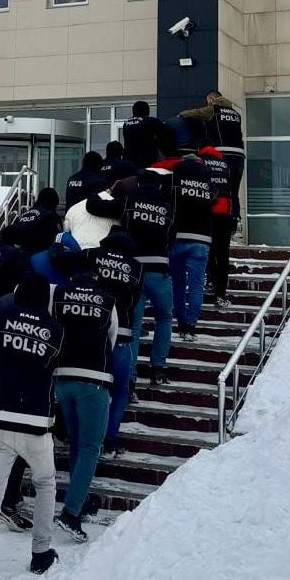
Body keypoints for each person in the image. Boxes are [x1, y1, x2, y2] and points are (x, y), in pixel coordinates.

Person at [0, 273, 64, 580]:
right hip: (36, 421)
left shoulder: (0, 316)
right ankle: (40, 553)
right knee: (46, 484)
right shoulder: (55, 331)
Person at [86, 169, 174, 389]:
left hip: (132, 271)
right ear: (159, 186)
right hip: (159, 270)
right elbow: (171, 237)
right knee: (164, 318)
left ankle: (131, 378)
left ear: (138, 184)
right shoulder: (167, 208)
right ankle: (159, 368)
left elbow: (92, 206)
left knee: (134, 325)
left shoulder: (128, 202)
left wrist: (104, 192)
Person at [51, 263, 117, 542]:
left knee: (77, 441)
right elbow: (112, 336)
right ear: (95, 277)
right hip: (94, 377)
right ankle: (71, 512)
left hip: (63, 375)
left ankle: (80, 499)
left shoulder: (59, 294)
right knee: (90, 446)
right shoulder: (106, 299)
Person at [86, 231, 143, 456]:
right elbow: (136, 300)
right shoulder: (137, 267)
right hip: (122, 335)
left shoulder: (93, 255)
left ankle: (88, 437)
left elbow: (61, 259)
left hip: (94, 334)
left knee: (93, 388)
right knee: (120, 390)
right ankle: (110, 437)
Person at [156, 152, 214, 341]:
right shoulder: (208, 185)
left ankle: (180, 322)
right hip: (201, 239)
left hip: (177, 239)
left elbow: (163, 202)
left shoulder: (173, 182)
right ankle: (191, 325)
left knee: (178, 285)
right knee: (196, 285)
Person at [180, 92, 245, 231]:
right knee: (233, 190)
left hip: (222, 154)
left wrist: (181, 115)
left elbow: (192, 113)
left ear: (212, 99)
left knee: (218, 188)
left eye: (207, 101)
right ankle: (235, 223)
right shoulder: (235, 114)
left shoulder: (213, 110)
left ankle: (217, 223)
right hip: (239, 156)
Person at [200, 146, 233, 307]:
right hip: (225, 211)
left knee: (209, 249)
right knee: (223, 254)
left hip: (208, 211)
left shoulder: (201, 163)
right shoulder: (224, 165)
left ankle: (211, 280)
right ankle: (221, 294)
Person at [10, 188, 62, 256]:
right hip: (42, 258)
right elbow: (57, 239)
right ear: (54, 202)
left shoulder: (22, 216)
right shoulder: (51, 216)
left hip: (22, 258)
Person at [121, 101, 165, 169]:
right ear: (147, 111)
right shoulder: (151, 121)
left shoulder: (126, 124)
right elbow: (164, 137)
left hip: (130, 160)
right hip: (146, 160)